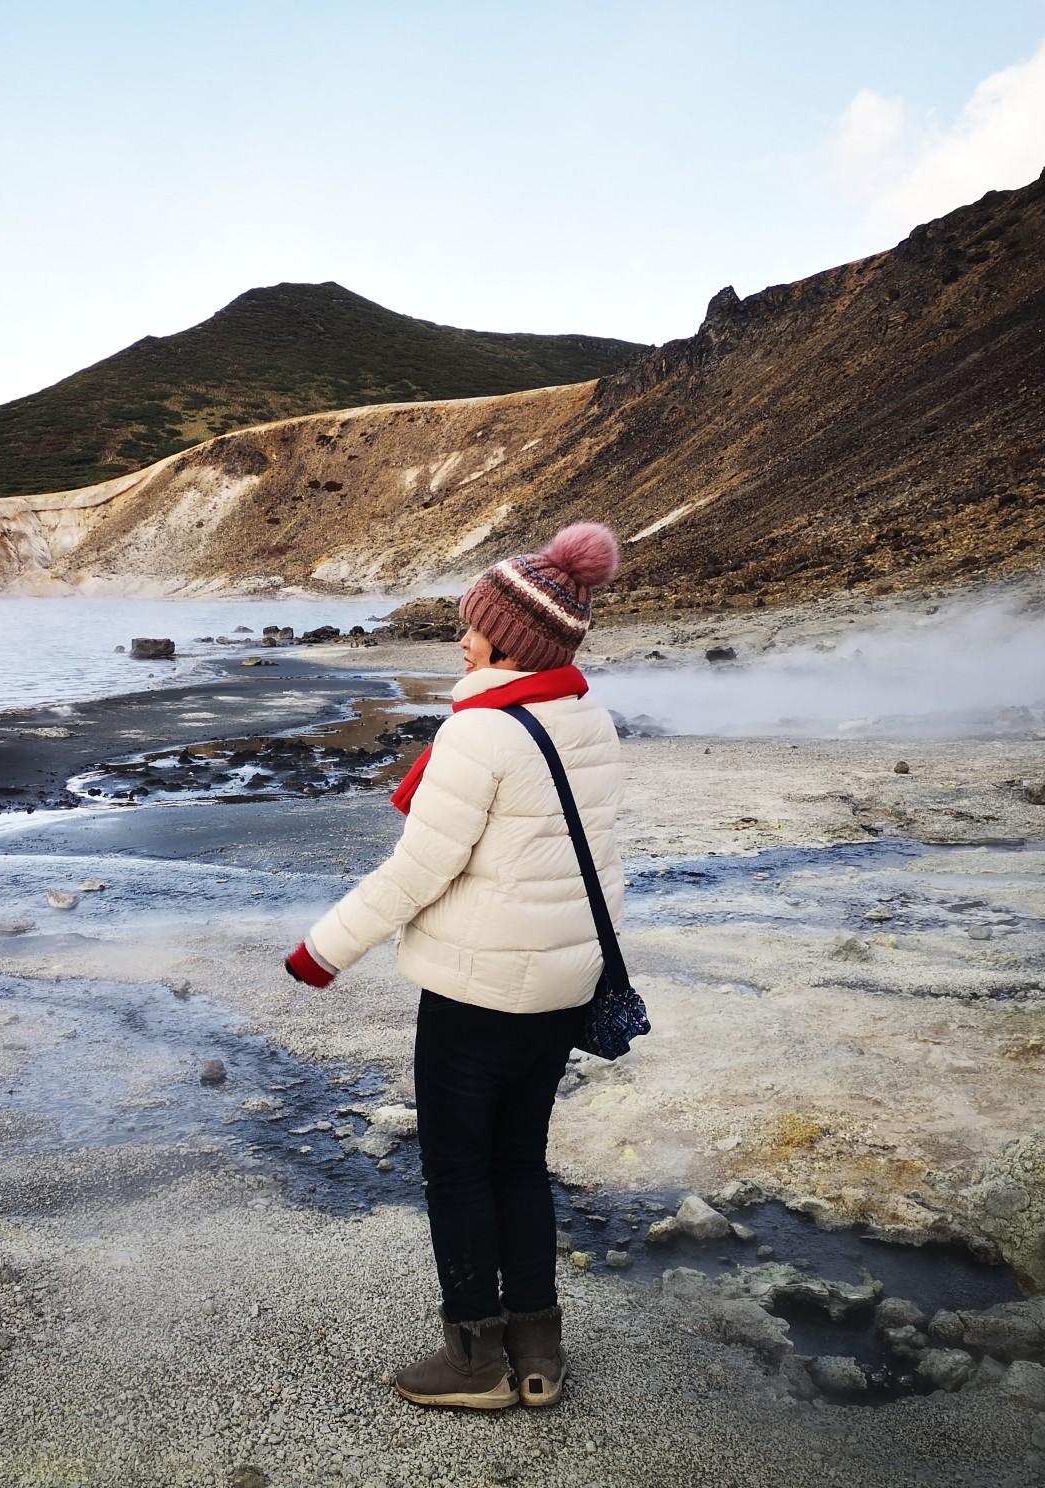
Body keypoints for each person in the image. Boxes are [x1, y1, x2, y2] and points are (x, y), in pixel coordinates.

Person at [283, 522, 626, 1410]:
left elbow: (417, 871)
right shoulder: (585, 716)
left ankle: (475, 1362)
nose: (461, 638)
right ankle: (537, 1352)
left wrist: (322, 951)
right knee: (520, 1160)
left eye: (473, 626)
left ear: (508, 641)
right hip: (560, 985)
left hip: (478, 992)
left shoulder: (481, 735)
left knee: (459, 1168)